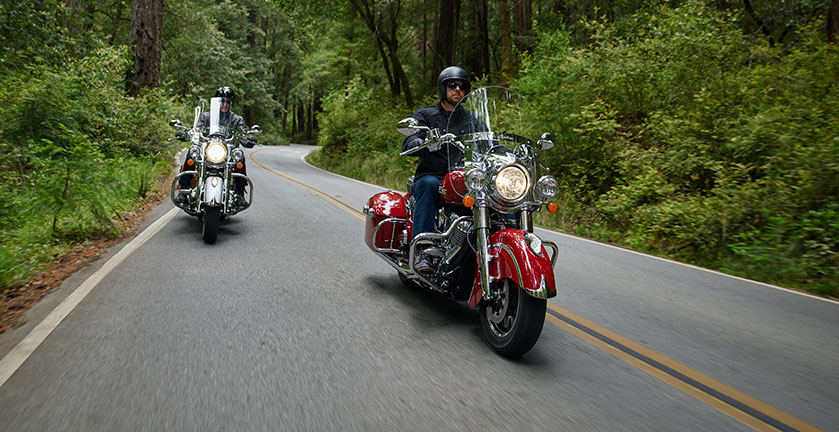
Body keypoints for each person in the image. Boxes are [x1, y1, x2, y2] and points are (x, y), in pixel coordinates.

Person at [401, 66, 479, 272]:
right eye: (452, 85)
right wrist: (419, 141)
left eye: (462, 86)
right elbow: (410, 140)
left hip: (466, 179)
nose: (457, 89)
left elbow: (489, 142)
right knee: (428, 184)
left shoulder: (473, 119)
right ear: (442, 88)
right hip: (434, 176)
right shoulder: (426, 115)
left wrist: (509, 152)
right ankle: (423, 250)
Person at [175, 86, 257, 208]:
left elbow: (242, 133)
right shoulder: (206, 117)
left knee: (239, 155)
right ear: (216, 102)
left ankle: (240, 193)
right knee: (193, 151)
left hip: (226, 152)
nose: (224, 104)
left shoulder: (236, 119)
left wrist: (248, 139)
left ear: (231, 104)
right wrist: (187, 134)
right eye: (222, 101)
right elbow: (196, 130)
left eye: (227, 102)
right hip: (209, 149)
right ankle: (183, 189)